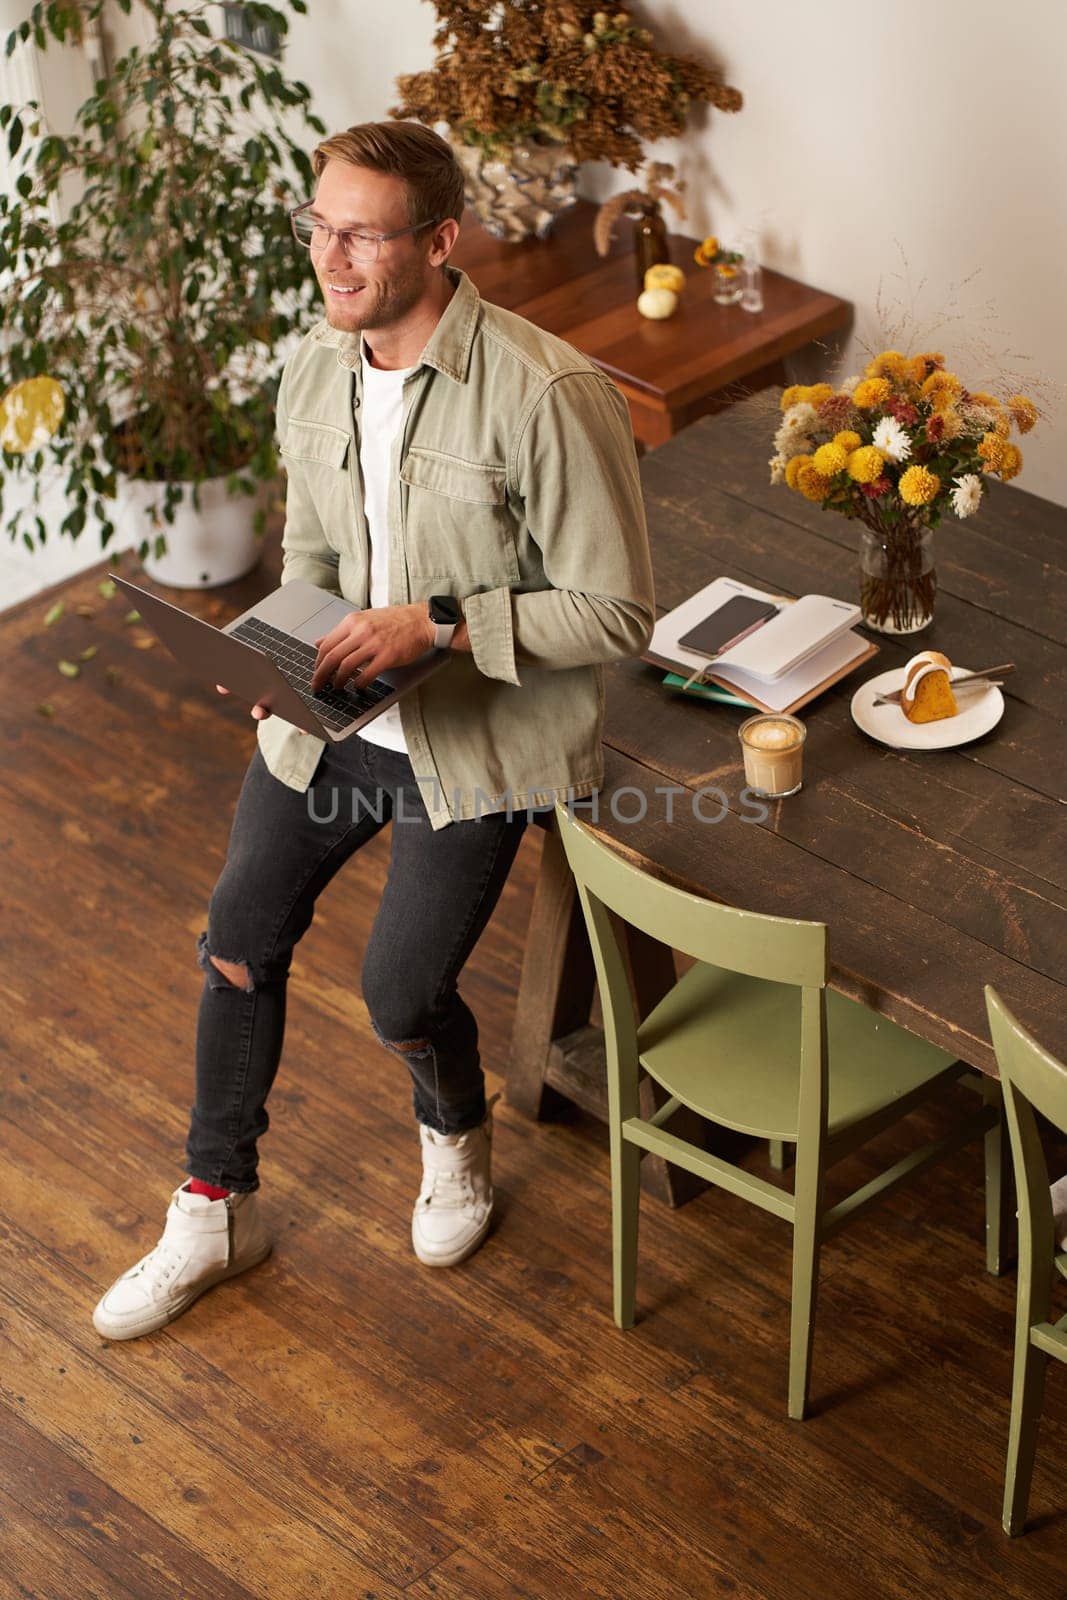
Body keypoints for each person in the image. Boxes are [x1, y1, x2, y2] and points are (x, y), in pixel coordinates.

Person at [92, 121, 655, 1339]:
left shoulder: (547, 392)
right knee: (237, 936)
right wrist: (281, 649)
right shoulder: (315, 366)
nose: (328, 256)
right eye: (317, 225)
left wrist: (439, 625)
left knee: (400, 995)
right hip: (329, 727)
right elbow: (308, 550)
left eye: (359, 232)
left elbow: (615, 609)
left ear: (439, 241)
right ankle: (214, 1202)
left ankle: (454, 1133)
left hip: (476, 747)